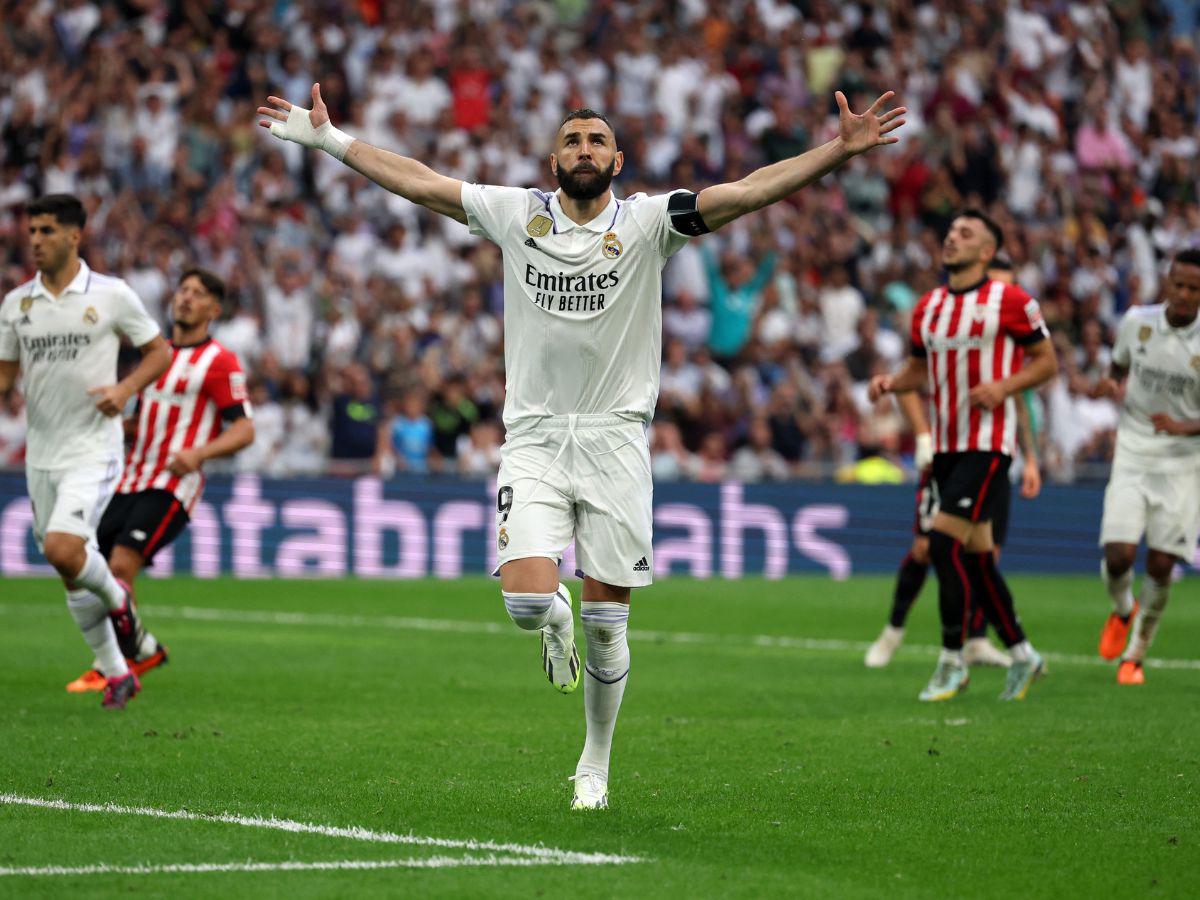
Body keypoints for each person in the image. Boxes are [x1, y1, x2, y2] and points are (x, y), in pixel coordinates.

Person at [260, 82, 905, 808]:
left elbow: (747, 192)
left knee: (608, 626)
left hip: (615, 441)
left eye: (597, 141)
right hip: (533, 438)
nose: (585, 150)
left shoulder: (650, 223)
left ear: (619, 159)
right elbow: (422, 183)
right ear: (553, 157)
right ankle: (551, 620)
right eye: (573, 140)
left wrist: (835, 151)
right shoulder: (516, 214)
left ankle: (594, 762)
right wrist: (333, 142)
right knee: (528, 606)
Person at [869, 210, 1058, 702]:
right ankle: (1024, 655)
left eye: (965, 234)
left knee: (941, 544)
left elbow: (1047, 362)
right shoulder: (928, 306)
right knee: (976, 562)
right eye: (950, 231)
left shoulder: (1011, 301)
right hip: (948, 447)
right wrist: (891, 383)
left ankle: (952, 659)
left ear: (986, 252)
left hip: (989, 443)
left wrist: (1004, 386)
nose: (952, 237)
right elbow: (917, 371)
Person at [0, 194, 171, 710]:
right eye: (32, 231)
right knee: (68, 566)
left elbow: (158, 352)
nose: (35, 240)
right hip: (42, 455)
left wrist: (124, 391)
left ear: (75, 236)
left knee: (63, 549)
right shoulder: (16, 305)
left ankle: (121, 606)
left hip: (93, 448)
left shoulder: (112, 295)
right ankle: (120, 672)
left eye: (47, 230)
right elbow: (5, 377)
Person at [66, 269, 255, 693]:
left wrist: (198, 454)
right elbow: (147, 422)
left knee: (119, 567)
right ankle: (141, 648)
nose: (186, 298)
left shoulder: (219, 361)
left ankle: (115, 662)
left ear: (214, 309)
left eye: (199, 294)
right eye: (183, 290)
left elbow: (244, 430)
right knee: (84, 567)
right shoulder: (156, 357)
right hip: (129, 478)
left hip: (171, 485)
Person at [1094, 249, 1200, 685]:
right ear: (1167, 282)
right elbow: (1118, 365)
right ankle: (1123, 610)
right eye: (1178, 284)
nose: (1184, 294)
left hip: (1182, 463)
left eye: (1194, 289)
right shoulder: (1137, 321)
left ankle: (1135, 653)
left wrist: (1182, 425)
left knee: (1160, 564)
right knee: (1118, 555)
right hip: (1134, 450)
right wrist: (1109, 382)